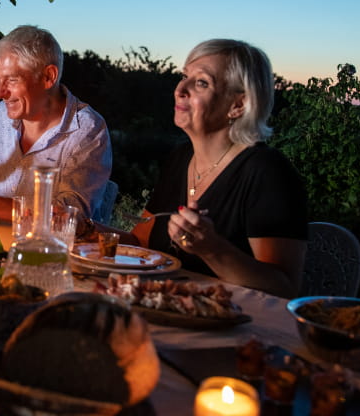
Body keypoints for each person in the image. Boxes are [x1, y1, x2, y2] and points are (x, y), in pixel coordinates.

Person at [127, 39, 307, 298]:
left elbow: (285, 287)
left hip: (240, 325)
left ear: (238, 105)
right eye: (184, 76)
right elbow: (141, 243)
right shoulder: (180, 159)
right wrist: (87, 228)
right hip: (171, 310)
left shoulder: (267, 172)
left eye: (201, 82)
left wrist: (212, 249)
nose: (180, 89)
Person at [0, 25, 112, 224]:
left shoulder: (87, 131)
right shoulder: (0, 114)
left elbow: (72, 217)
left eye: (12, 79)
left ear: (48, 77)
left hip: (44, 254)